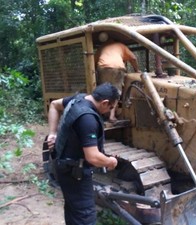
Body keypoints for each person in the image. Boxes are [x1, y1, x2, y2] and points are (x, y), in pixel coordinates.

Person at [46, 82, 119, 225]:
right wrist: (111, 161)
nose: (109, 111)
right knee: (85, 216)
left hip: (63, 164)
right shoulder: (87, 119)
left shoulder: (77, 99)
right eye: (110, 107)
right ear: (104, 103)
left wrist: (52, 133)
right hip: (74, 173)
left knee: (74, 210)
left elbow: (54, 104)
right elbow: (92, 157)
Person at [95, 33, 140, 122]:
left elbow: (93, 61)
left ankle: (101, 115)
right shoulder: (121, 45)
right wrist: (137, 70)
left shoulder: (102, 47)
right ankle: (111, 116)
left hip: (103, 68)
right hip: (117, 68)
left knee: (103, 91)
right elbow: (133, 58)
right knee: (116, 92)